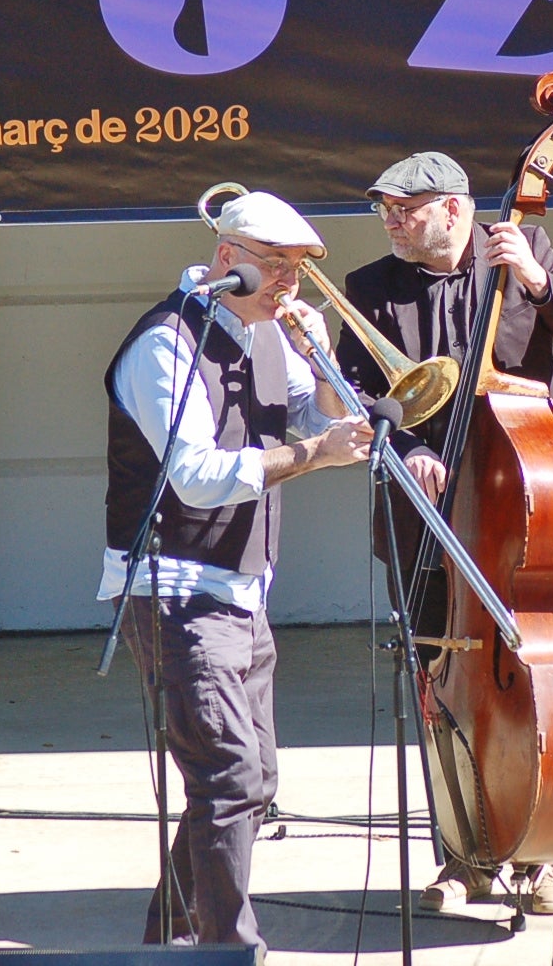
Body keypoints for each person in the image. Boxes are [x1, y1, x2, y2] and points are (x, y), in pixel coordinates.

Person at [336, 151, 553, 915]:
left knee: (546, 683)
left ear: (455, 210)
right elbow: (356, 393)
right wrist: (410, 449)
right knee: (442, 691)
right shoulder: (370, 289)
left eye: (407, 207)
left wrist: (536, 279)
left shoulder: (522, 252)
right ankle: (463, 853)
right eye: (384, 209)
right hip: (423, 517)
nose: (391, 220)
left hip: (521, 508)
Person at [99, 190, 373, 954]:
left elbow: (314, 425)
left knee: (253, 782)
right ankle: (230, 949)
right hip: (174, 588)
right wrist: (316, 455)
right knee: (227, 777)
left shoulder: (268, 334)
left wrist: (321, 367)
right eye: (278, 265)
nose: (291, 282)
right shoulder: (166, 342)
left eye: (302, 268)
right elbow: (195, 477)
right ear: (228, 258)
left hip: (242, 588)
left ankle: (171, 938)